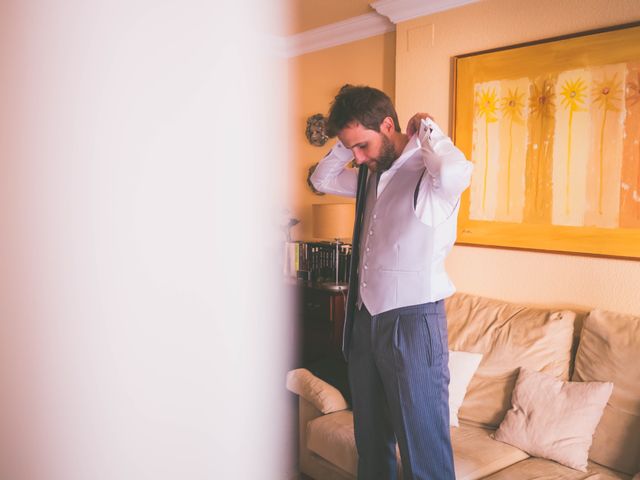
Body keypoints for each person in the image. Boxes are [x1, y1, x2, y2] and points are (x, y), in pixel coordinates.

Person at [310, 85, 473, 480]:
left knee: (424, 453)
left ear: (388, 125)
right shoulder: (371, 173)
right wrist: (344, 145)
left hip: (414, 323)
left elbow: (456, 170)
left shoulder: (430, 174)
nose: (359, 158)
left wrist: (428, 129)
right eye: (353, 151)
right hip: (366, 321)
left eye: (363, 146)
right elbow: (321, 179)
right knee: (372, 444)